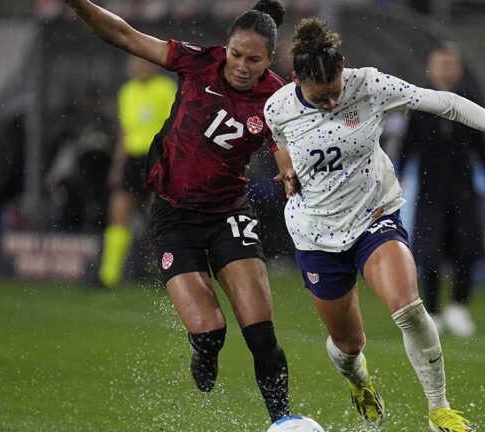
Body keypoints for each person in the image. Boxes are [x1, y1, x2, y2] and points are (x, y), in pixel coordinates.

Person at [265, 18, 485, 432]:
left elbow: (450, 104)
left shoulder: (369, 84)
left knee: (409, 307)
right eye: (319, 97)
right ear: (295, 79)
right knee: (349, 347)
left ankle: (439, 410)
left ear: (343, 67)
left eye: (334, 92)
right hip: (315, 234)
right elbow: (277, 138)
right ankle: (357, 378)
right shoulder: (277, 106)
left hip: (373, 217)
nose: (331, 102)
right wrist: (286, 166)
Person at [65, 0, 291, 423]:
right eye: (236, 54)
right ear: (226, 47)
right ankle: (204, 349)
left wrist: (291, 176)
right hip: (174, 216)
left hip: (229, 213)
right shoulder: (197, 62)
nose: (241, 66)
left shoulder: (277, 98)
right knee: (211, 332)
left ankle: (284, 421)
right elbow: (124, 35)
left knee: (261, 333)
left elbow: (285, 151)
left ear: (269, 60)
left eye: (254, 59)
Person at [398, 44, 485, 337]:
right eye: (441, 65)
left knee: (466, 249)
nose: (447, 72)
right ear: (430, 70)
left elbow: (483, 145)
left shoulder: (471, 101)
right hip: (430, 188)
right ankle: (432, 311)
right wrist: (398, 174)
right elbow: (408, 144)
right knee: (429, 252)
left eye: (451, 65)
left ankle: (459, 307)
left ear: (458, 69)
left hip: (463, 188)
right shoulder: (419, 103)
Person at [98, 56, 176, 287]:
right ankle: (108, 277)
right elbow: (124, 131)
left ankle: (170, 275)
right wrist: (117, 166)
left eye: (144, 63)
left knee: (160, 218)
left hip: (157, 159)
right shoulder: (127, 92)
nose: (139, 68)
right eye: (135, 64)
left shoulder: (166, 89)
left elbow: (173, 128)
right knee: (118, 214)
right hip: (132, 160)